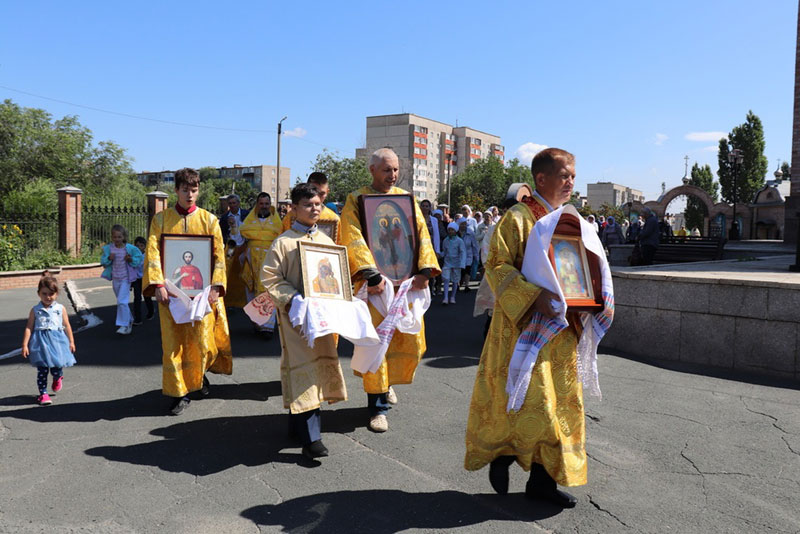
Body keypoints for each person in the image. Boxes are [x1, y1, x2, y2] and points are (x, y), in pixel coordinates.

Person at [465, 147, 586, 508]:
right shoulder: (517, 218)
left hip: (561, 332)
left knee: (557, 407)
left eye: (573, 176)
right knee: (523, 401)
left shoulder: (569, 219)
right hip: (523, 330)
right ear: (541, 179)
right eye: (564, 176)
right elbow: (497, 264)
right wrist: (535, 297)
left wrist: (589, 299)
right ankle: (502, 454)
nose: (570, 183)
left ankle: (543, 481)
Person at [339, 148, 440, 433]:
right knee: (377, 344)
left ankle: (388, 384)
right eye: (386, 170)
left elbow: (420, 233)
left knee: (410, 341)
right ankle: (377, 407)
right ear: (372, 170)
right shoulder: (357, 199)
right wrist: (371, 275)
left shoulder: (406, 199)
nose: (392, 175)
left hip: (404, 283)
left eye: (395, 170)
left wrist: (424, 271)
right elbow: (352, 236)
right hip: (377, 286)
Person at [261, 183, 348, 459]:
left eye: (317, 204)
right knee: (303, 372)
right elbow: (271, 278)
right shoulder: (283, 242)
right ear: (294, 209)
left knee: (317, 372)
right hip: (295, 321)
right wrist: (294, 298)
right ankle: (312, 439)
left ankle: (295, 423)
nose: (315, 209)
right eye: (308, 205)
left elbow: (337, 278)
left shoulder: (326, 242)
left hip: (321, 322)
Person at [143, 167, 232, 415]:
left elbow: (218, 257)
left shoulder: (209, 220)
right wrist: (157, 284)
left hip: (202, 293)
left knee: (201, 342)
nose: (190, 195)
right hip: (171, 295)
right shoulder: (161, 220)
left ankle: (199, 378)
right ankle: (179, 392)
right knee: (173, 344)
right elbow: (153, 253)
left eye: (194, 190)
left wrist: (216, 285)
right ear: (176, 191)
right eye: (185, 190)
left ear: (198, 190)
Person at [21, 273, 76, 406]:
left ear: (56, 294)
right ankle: (43, 394)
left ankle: (57, 377)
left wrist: (71, 341)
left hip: (57, 341)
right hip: (40, 343)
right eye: (44, 293)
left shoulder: (60, 308)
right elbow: (29, 327)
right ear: (38, 293)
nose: (48, 297)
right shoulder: (35, 310)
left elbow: (67, 325)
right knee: (42, 370)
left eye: (51, 293)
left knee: (57, 366)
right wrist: (25, 344)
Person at [240, 192, 283, 336]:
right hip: (252, 260)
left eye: (266, 204)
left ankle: (268, 326)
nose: (264, 206)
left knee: (268, 291)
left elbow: (280, 238)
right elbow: (241, 236)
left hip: (270, 260)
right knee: (251, 290)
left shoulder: (277, 222)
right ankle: (257, 322)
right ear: (257, 205)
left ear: (270, 205)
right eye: (261, 204)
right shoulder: (249, 221)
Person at [100, 224, 143, 335]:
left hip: (126, 279)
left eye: (119, 237)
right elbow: (103, 262)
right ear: (112, 237)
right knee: (121, 301)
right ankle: (129, 318)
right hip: (116, 278)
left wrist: (130, 259)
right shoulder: (109, 248)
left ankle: (124, 325)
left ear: (123, 237)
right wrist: (109, 258)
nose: (117, 239)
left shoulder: (129, 248)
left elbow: (138, 259)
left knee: (122, 301)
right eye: (115, 237)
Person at [281, 172, 341, 244]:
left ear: (327, 192)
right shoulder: (290, 217)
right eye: (314, 192)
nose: (317, 197)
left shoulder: (334, 218)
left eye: (321, 194)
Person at [220, 194, 249, 309]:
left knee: (244, 271)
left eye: (234, 203)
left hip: (244, 246)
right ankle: (228, 301)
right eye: (230, 203)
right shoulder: (224, 217)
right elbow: (221, 233)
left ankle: (245, 301)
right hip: (231, 247)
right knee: (229, 271)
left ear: (239, 203)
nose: (232, 205)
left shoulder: (246, 215)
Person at [440, 221, 465, 305]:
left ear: (456, 231)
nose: (450, 231)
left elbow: (462, 252)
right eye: (449, 230)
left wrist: (462, 263)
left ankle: (452, 296)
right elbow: (444, 251)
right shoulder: (445, 241)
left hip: (457, 262)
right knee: (446, 279)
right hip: (447, 262)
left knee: (455, 280)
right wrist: (439, 255)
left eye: (452, 230)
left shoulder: (459, 241)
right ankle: (445, 297)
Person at [131, 236, 155, 325]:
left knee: (147, 297)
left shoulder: (147, 256)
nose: (139, 248)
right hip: (136, 280)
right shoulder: (133, 256)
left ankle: (151, 312)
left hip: (145, 279)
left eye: (141, 245)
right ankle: (138, 319)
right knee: (137, 298)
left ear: (144, 246)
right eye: (137, 246)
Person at [458, 219, 479, 292]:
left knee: (467, 269)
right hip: (458, 255)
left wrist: (476, 255)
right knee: (460, 271)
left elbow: (474, 245)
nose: (463, 226)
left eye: (464, 224)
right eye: (461, 224)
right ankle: (458, 283)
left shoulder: (470, 233)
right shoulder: (456, 232)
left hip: (468, 254)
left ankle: (466, 285)